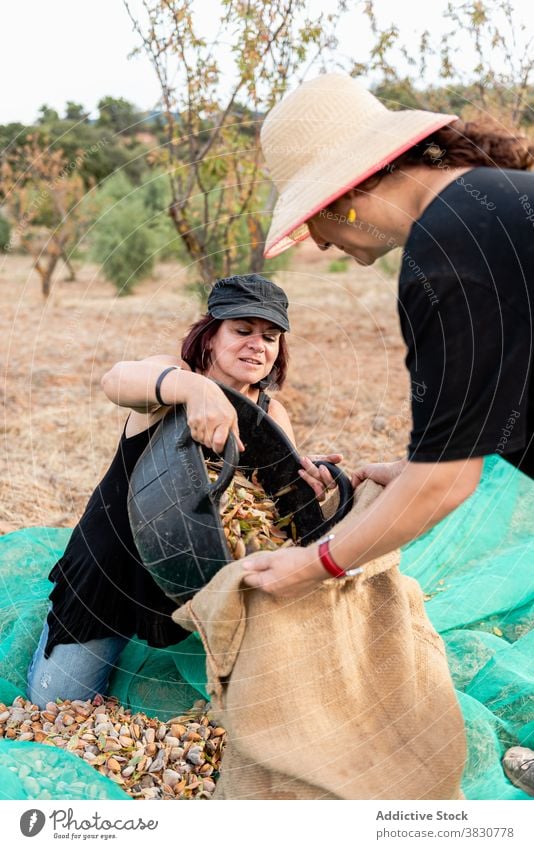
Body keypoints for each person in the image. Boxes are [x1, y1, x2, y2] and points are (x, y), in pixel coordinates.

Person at [243, 73, 533, 591]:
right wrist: (416, 468)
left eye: (311, 220)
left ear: (347, 191)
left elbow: (445, 483)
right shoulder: (495, 201)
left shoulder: (446, 253)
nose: (322, 244)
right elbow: (504, 394)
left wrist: (315, 565)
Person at [26, 274, 340, 708]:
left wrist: (316, 486)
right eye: (242, 331)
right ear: (210, 337)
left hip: (195, 590)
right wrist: (195, 389)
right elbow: (116, 380)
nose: (257, 345)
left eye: (270, 336)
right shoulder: (173, 378)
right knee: (59, 706)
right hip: (112, 572)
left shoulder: (271, 413)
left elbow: (275, 497)